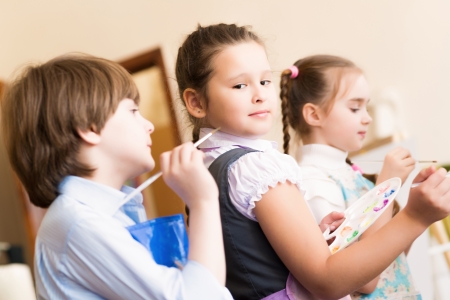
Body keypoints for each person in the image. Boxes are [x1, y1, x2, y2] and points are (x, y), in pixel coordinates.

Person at [175, 23, 450, 300]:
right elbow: (327, 281)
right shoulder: (254, 168)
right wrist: (416, 216)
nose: (259, 94)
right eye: (239, 85)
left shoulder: (207, 167)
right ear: (196, 102)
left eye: (264, 81)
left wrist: (316, 240)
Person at [0, 54, 232, 299]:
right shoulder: (78, 221)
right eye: (133, 111)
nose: (149, 125)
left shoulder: (108, 213)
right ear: (89, 127)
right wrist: (203, 201)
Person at [280, 54, 420, 299]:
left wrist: (411, 203)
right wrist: (386, 188)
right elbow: (363, 281)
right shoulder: (314, 183)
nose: (367, 117)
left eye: (366, 106)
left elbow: (390, 261)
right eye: (355, 107)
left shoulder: (349, 174)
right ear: (314, 115)